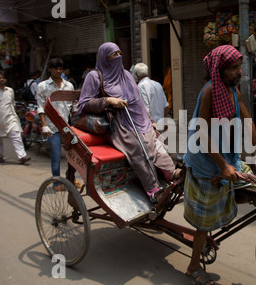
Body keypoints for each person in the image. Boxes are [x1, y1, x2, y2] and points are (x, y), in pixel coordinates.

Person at [183, 45, 256, 285]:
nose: (238, 71)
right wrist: (222, 165)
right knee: (203, 224)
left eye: (238, 66)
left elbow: (247, 120)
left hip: (225, 153)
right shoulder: (210, 90)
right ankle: (193, 266)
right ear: (219, 70)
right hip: (206, 158)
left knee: (247, 182)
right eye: (233, 67)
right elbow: (201, 132)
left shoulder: (233, 90)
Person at [77, 42, 180, 201]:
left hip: (140, 119)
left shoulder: (126, 75)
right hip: (120, 124)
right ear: (104, 58)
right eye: (113, 55)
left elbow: (138, 101)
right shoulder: (94, 76)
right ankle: (153, 189)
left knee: (158, 144)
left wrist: (150, 120)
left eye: (119, 54)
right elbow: (83, 104)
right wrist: (108, 101)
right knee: (139, 148)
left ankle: (171, 173)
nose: (118, 57)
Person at [36, 58, 76, 190]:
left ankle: (71, 179)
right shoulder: (43, 86)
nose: (58, 71)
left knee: (73, 156)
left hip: (67, 126)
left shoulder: (68, 85)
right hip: (52, 127)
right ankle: (57, 183)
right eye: (56, 68)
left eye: (60, 69)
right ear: (50, 69)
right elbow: (41, 107)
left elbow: (72, 106)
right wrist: (44, 125)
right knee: (56, 156)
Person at [0, 70, 31, 164]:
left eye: (3, 77)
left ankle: (22, 156)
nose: (1, 79)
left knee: (16, 136)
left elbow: (12, 104)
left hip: (10, 118)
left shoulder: (10, 90)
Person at [134, 62, 169, 128]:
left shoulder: (140, 87)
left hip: (151, 126)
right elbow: (165, 106)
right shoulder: (158, 84)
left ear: (136, 74)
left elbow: (145, 109)